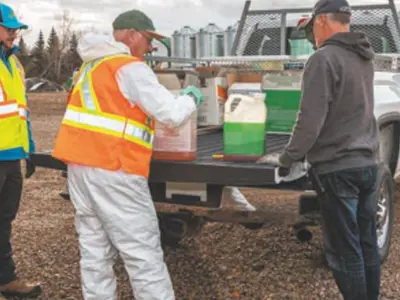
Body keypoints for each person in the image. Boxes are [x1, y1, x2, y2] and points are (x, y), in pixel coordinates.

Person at [51, 9, 203, 300]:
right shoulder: (129, 68)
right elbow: (170, 115)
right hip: (114, 168)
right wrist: (189, 97)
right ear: (132, 35)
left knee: (95, 254)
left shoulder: (90, 68)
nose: (150, 48)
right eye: (148, 40)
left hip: (81, 169)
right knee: (142, 253)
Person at [257, 0, 380, 299]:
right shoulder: (364, 56)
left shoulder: (323, 59)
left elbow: (310, 121)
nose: (312, 31)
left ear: (322, 20)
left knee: (343, 250)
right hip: (368, 163)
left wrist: (288, 158)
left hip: (338, 169)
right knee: (366, 244)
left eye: (313, 24)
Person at [0, 3, 41, 299]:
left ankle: (5, 278)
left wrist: (29, 147)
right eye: (8, 27)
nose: (14, 33)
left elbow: (20, 109)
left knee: (4, 220)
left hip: (12, 155)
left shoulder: (15, 64)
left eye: (16, 28)